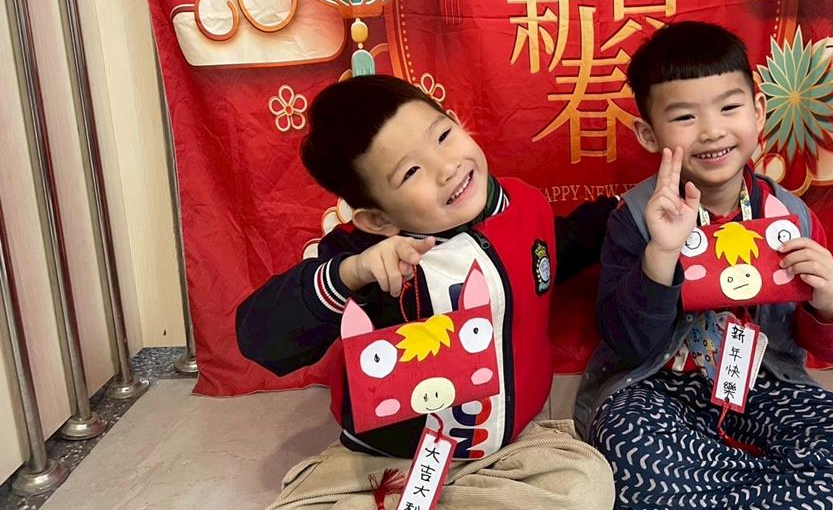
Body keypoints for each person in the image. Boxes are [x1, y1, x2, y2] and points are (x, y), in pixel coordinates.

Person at [574, 21, 833, 510]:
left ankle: (715, 491)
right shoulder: (633, 218)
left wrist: (828, 300)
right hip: (656, 390)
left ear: (758, 111)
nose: (712, 130)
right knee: (628, 456)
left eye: (729, 107)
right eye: (685, 116)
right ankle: (801, 494)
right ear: (649, 134)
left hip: (764, 385)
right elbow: (629, 344)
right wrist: (660, 255)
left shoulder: (790, 216)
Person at [237, 75, 616, 510]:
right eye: (411, 172)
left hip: (508, 450)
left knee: (585, 486)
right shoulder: (364, 257)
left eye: (443, 136)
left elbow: (565, 245)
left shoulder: (523, 207)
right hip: (383, 463)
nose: (446, 167)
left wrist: (631, 212)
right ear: (377, 218)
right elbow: (259, 338)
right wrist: (349, 275)